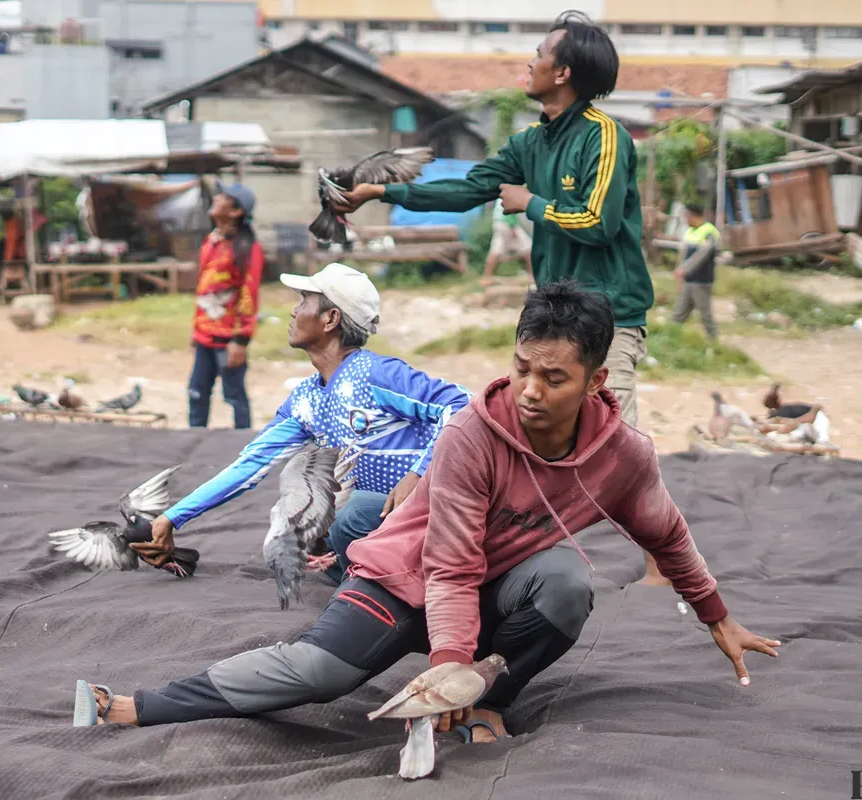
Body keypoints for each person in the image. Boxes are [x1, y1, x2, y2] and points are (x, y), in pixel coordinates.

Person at [75, 281, 780, 745]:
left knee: (566, 580)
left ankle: (490, 702)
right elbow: (446, 568)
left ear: (597, 381)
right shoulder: (474, 431)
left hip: (493, 592)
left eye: (554, 378)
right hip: (403, 580)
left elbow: (666, 531)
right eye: (523, 367)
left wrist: (717, 615)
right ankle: (145, 702)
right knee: (321, 676)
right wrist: (447, 663)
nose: (529, 390)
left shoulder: (623, 453)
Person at [328, 11, 654, 431]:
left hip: (610, 316)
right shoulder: (529, 143)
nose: (529, 63)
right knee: (545, 435)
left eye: (539, 55)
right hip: (554, 313)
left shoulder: (604, 136)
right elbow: (467, 189)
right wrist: (382, 192)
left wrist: (531, 202)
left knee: (615, 441)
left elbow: (597, 224)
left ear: (562, 73)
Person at [157, 261, 471, 581]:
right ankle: (367, 573)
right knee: (303, 527)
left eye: (303, 301)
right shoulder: (306, 401)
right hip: (380, 524)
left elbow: (461, 404)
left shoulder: (379, 375)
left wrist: (419, 474)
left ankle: (384, 578)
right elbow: (248, 466)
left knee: (354, 511)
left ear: (330, 318)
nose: (294, 312)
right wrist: (172, 518)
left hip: (432, 512)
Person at [188, 184, 264, 430]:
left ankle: (243, 450)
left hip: (228, 339)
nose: (217, 198)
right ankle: (191, 449)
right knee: (196, 394)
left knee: (235, 398)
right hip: (204, 336)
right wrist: (195, 329)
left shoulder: (247, 249)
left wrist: (240, 341)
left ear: (235, 211)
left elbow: (248, 295)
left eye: (223, 197)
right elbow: (203, 290)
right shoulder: (210, 242)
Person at [671, 203, 721, 340]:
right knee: (677, 314)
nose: (685, 219)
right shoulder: (689, 231)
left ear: (692, 216)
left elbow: (702, 254)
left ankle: (714, 342)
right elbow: (684, 255)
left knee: (705, 316)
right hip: (688, 281)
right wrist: (680, 277)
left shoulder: (709, 232)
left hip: (702, 281)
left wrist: (684, 269)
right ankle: (670, 339)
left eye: (686, 216)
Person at [480, 198, 534, 287]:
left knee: (496, 249)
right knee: (527, 246)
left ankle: (486, 277)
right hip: (507, 222)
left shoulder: (501, 191)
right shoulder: (511, 189)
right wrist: (512, 226)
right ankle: (532, 275)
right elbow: (508, 208)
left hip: (499, 222)